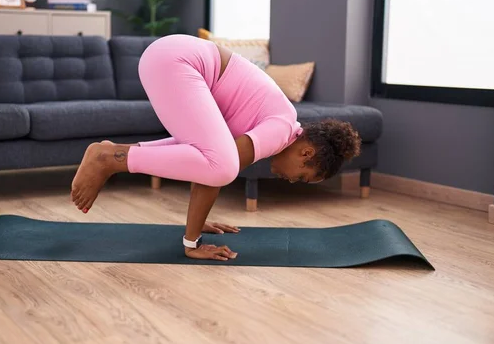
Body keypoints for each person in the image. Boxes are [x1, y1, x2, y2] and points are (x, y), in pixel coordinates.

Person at [71, 34, 361, 261]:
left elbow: (204, 166)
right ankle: (107, 158)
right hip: (178, 61)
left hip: (167, 56)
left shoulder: (278, 123)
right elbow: (218, 171)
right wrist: (191, 243)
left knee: (215, 162)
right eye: (301, 176)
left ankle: (112, 151)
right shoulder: (282, 129)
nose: (291, 180)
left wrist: (197, 224)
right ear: (306, 153)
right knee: (223, 166)